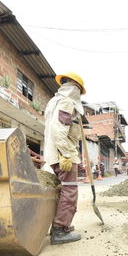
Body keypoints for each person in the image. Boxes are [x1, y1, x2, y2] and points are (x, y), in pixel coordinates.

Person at [42, 72, 86, 245]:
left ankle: (62, 226)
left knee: (64, 190)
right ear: (76, 88)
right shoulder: (67, 102)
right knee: (69, 191)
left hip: (54, 153)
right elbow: (58, 129)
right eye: (79, 91)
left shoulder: (54, 102)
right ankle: (60, 230)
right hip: (62, 155)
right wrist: (67, 154)